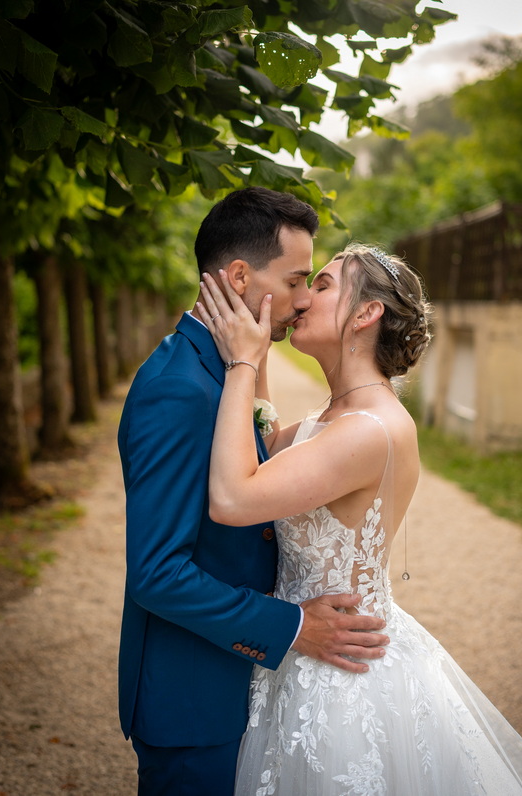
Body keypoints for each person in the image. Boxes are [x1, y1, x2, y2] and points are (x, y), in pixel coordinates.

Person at [197, 244, 522, 795]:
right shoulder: (335, 418)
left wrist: (243, 362)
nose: (301, 298)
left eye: (321, 286)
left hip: (339, 677)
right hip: (303, 650)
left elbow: (232, 498)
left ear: (367, 314)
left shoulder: (367, 431)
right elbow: (267, 445)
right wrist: (261, 343)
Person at [117, 189, 389, 796]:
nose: (302, 299)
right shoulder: (179, 391)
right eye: (296, 279)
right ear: (240, 275)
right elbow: (156, 573)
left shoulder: (217, 366)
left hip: (242, 687)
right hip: (195, 699)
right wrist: (293, 626)